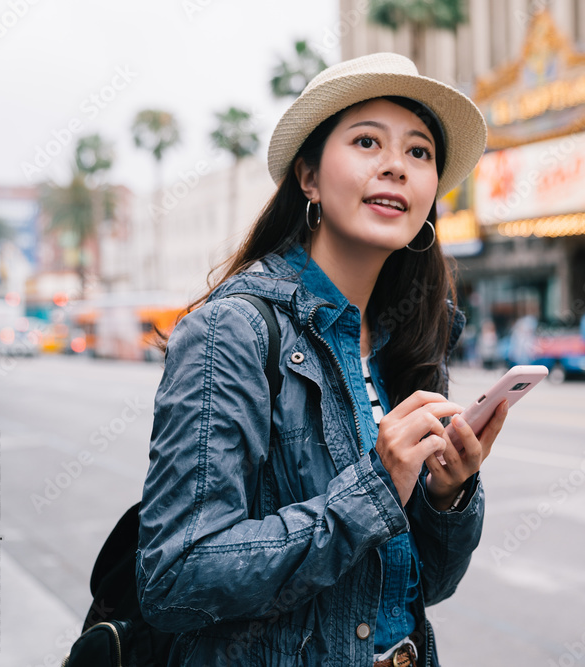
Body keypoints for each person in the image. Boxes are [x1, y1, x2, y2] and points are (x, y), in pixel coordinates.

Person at [136, 53, 506, 666]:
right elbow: (175, 577)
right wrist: (373, 491)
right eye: (367, 142)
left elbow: (426, 586)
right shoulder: (234, 332)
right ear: (308, 178)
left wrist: (449, 494)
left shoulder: (405, 342)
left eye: (419, 153)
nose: (396, 165)